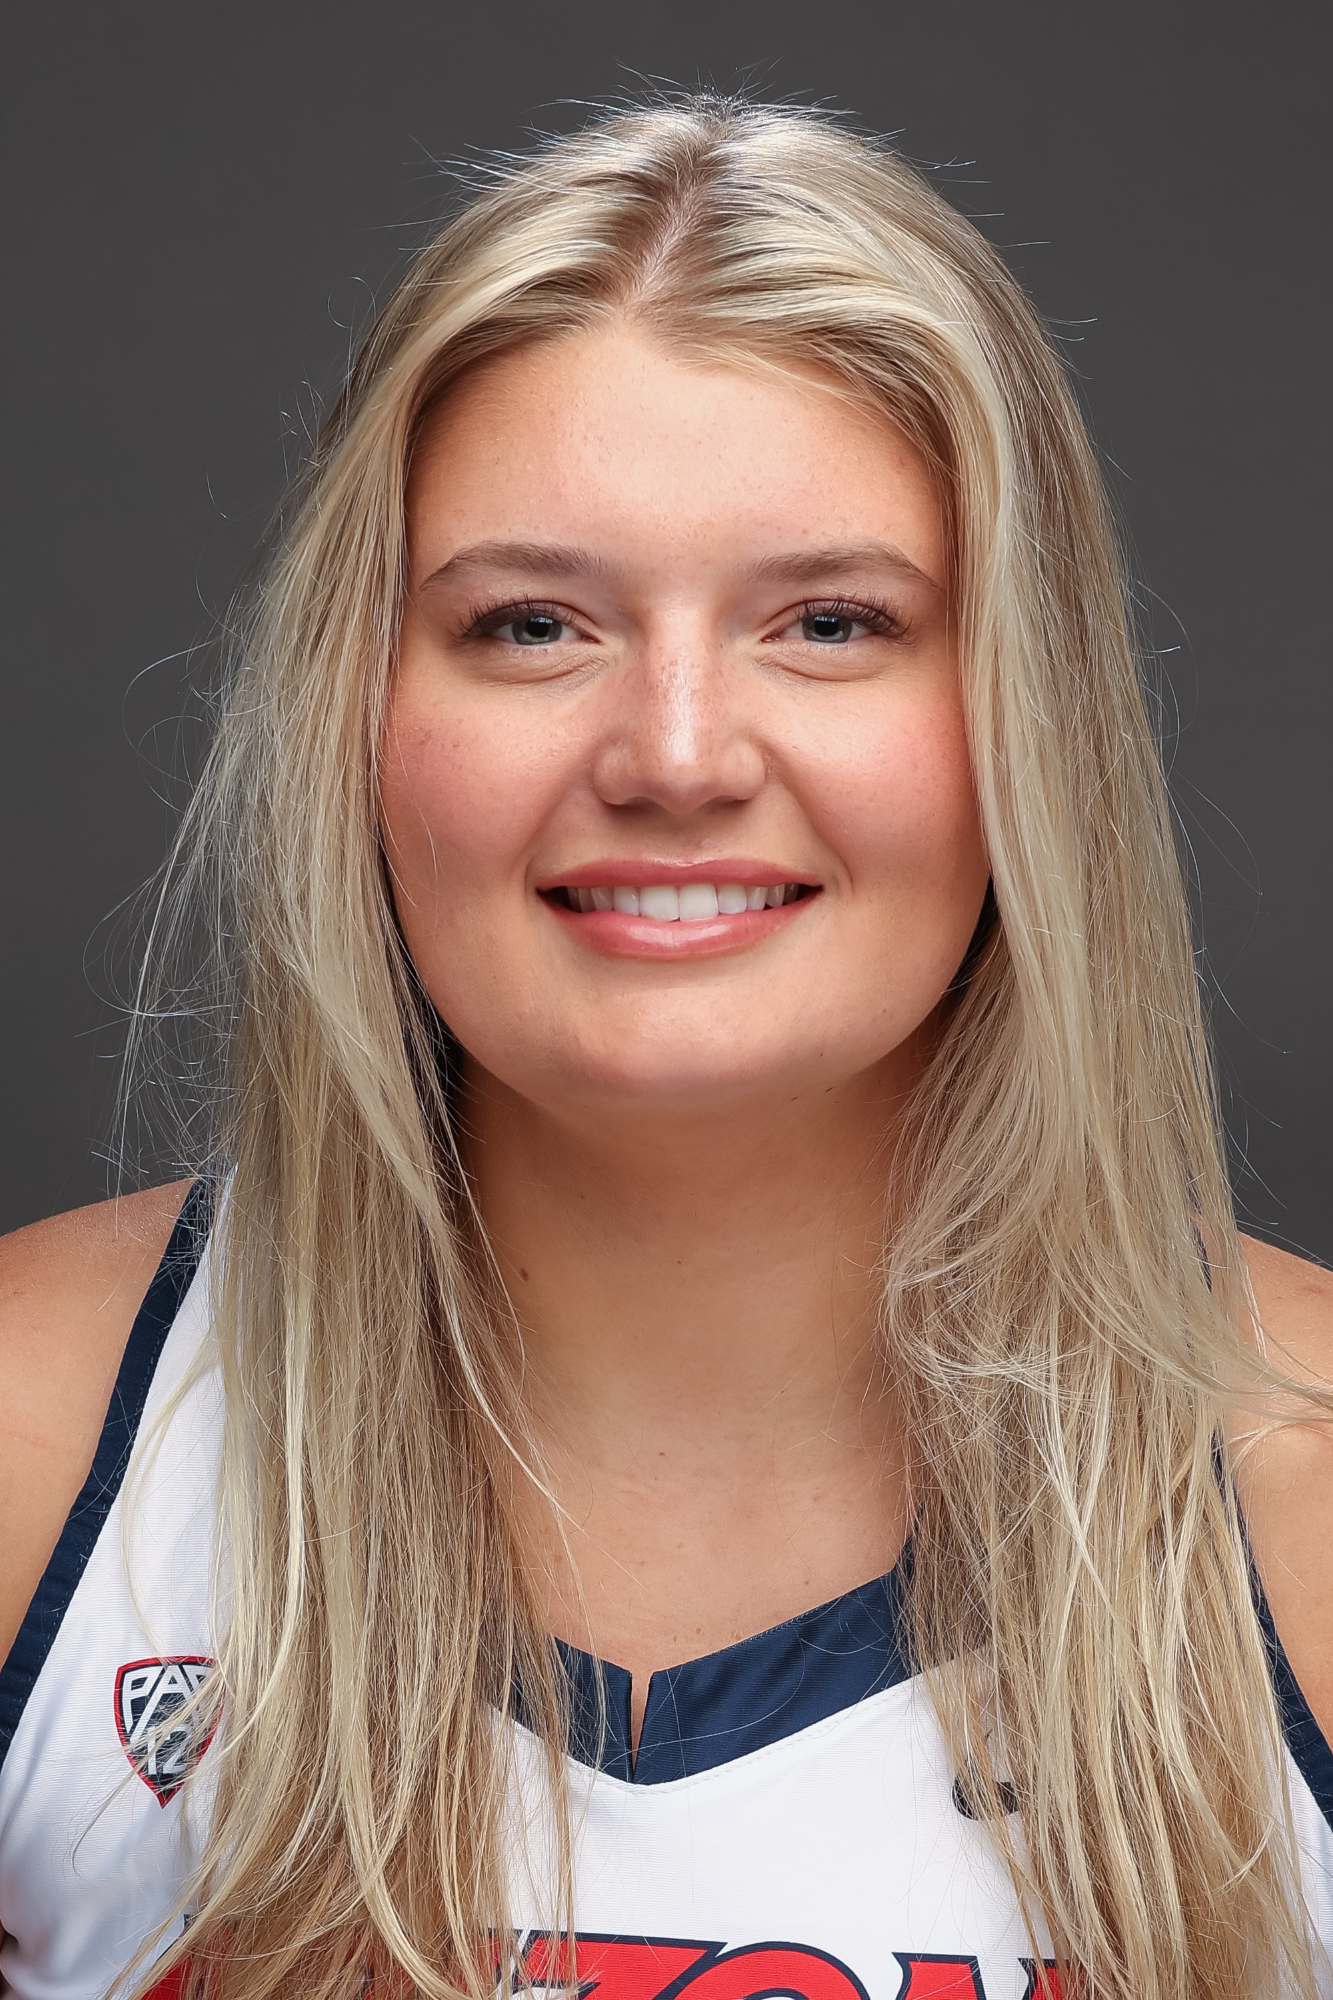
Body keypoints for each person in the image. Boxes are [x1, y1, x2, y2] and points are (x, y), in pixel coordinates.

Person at [0, 93, 1329, 2000]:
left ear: (1021, 715)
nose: (679, 754)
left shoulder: (1310, 1502)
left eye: (833, 622)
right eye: (532, 624)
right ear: (358, 709)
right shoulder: (44, 1449)